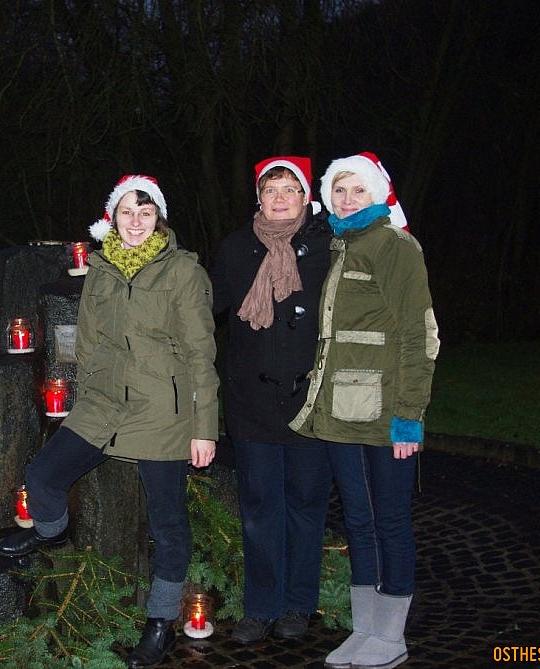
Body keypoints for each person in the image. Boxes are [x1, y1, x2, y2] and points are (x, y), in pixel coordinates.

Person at [0, 175, 219, 668]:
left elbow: (202, 354)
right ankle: (51, 532)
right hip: (103, 405)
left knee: (169, 524)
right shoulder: (100, 268)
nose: (135, 222)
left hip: (164, 409)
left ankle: (160, 623)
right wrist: (84, 395)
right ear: (112, 219)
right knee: (43, 474)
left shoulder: (182, 272)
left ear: (157, 218)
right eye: (125, 212)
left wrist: (204, 426)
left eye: (144, 212)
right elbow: (89, 340)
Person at [289, 152, 439, 669]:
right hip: (339, 409)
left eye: (357, 190)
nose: (346, 198)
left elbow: (417, 335)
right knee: (357, 518)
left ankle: (392, 636)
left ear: (377, 195)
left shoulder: (394, 246)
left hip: (384, 412)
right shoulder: (338, 245)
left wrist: (408, 414)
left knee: (390, 519)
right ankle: (365, 629)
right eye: (339, 189)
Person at [209, 156, 333, 644]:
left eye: (289, 189)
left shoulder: (328, 245)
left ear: (305, 196)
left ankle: (299, 604)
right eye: (270, 190)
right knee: (260, 509)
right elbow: (204, 305)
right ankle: (260, 607)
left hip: (309, 402)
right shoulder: (237, 248)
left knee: (306, 507)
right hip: (252, 404)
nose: (279, 198)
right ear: (257, 198)